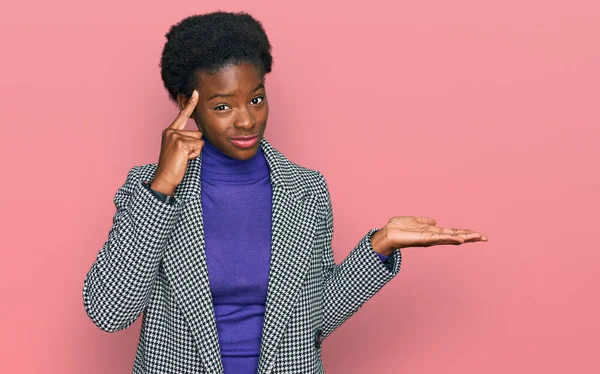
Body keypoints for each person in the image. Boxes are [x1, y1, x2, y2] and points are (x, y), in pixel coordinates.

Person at [82, 11, 487, 374]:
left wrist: (379, 246)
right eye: (223, 107)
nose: (246, 120)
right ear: (185, 105)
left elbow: (315, 318)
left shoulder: (306, 190)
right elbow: (109, 311)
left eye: (256, 99)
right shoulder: (147, 190)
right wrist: (163, 187)